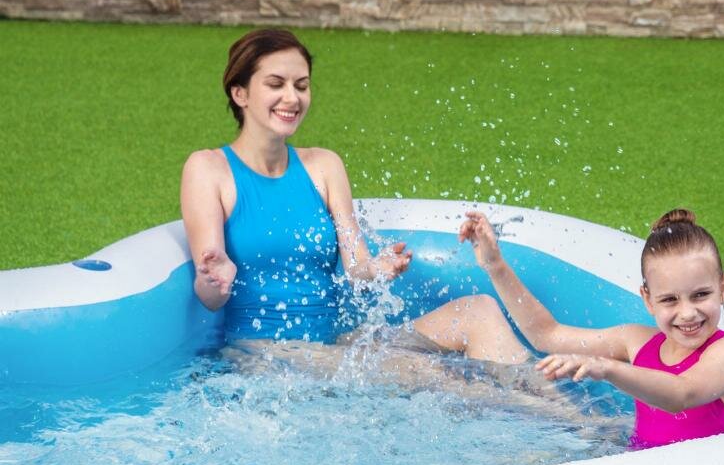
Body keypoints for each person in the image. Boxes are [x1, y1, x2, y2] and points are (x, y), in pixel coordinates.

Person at [181, 27, 530, 362]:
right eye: (276, 84)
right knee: (438, 376)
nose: (292, 97)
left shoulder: (324, 166)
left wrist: (376, 267)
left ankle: (555, 400)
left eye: (301, 85)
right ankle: (540, 407)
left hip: (332, 349)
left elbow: (356, 267)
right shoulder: (208, 169)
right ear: (240, 94)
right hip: (264, 355)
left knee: (479, 311)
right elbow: (210, 297)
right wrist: (216, 280)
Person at [458, 207, 724, 448]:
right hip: (634, 460)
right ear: (648, 300)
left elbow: (681, 394)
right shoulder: (638, 342)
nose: (687, 313)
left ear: (723, 288)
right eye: (669, 300)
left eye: (701, 295)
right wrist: (495, 266)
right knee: (492, 401)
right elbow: (546, 334)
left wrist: (608, 368)